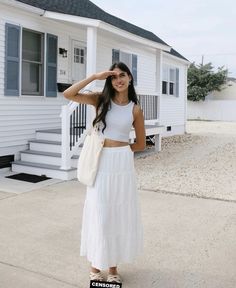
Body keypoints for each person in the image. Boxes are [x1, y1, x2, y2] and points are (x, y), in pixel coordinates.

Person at [63, 62, 145, 284]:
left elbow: (140, 143)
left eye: (122, 75)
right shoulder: (100, 99)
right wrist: (95, 76)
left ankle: (113, 268)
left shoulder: (135, 109)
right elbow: (68, 94)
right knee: (101, 213)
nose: (118, 80)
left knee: (118, 215)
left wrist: (122, 150)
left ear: (130, 78)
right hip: (101, 161)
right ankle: (95, 266)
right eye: (113, 77)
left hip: (122, 164)